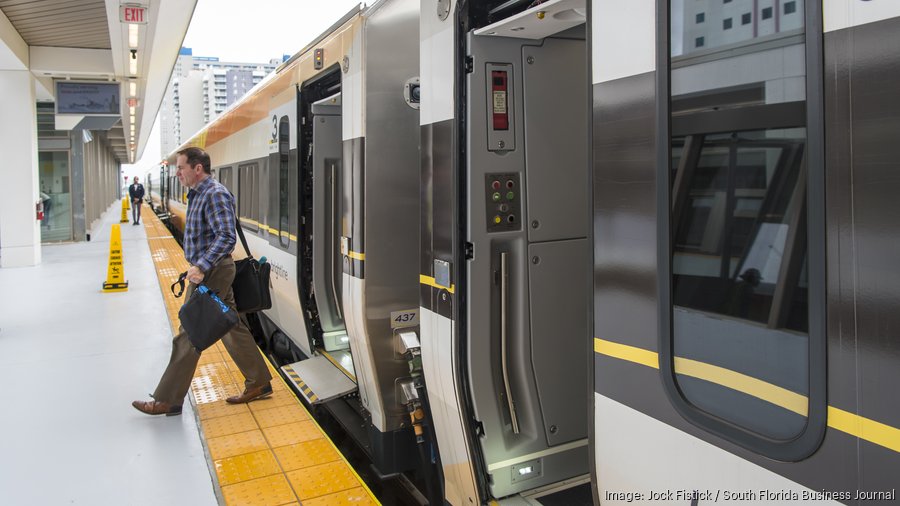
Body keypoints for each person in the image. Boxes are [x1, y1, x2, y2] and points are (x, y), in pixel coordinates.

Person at [133, 147, 272, 416]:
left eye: (181, 168)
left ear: (198, 168)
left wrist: (201, 266)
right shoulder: (197, 194)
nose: (178, 173)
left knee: (190, 332)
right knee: (231, 325)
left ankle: (167, 399)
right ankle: (259, 381)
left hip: (213, 272)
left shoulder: (214, 193)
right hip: (208, 269)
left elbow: (226, 237)